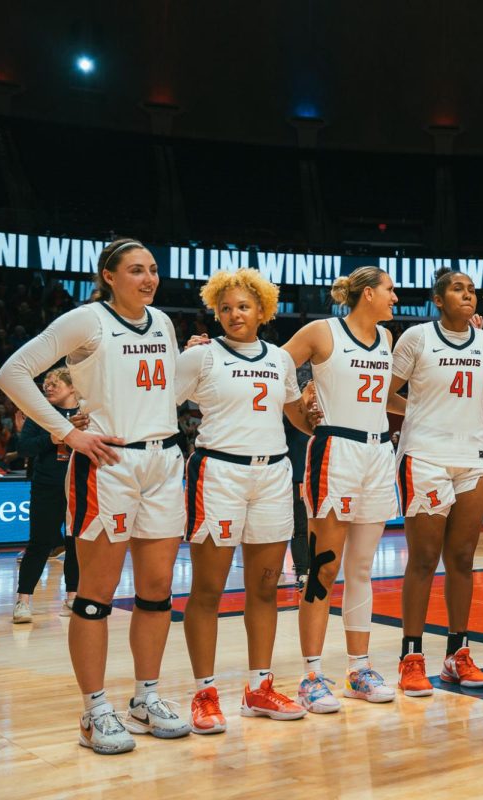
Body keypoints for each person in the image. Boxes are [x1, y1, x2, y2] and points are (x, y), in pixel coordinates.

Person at [0, 237, 188, 754]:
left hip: (165, 460)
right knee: (96, 596)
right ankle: (94, 710)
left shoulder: (164, 322)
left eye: (152, 269)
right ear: (109, 275)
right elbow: (11, 372)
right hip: (109, 463)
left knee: (157, 592)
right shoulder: (86, 320)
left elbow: (164, 393)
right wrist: (67, 432)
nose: (148, 279)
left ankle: (145, 697)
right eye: (135, 270)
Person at [177, 269, 314, 732]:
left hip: (274, 473)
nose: (234, 314)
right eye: (225, 308)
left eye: (243, 306)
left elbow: (295, 413)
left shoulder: (280, 360)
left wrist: (315, 415)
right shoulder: (200, 357)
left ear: (263, 311)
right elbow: (160, 402)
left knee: (265, 588)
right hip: (218, 472)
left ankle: (259, 687)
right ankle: (204, 693)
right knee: (208, 591)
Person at [387, 267, 483, 695]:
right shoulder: (416, 338)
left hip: (471, 458)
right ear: (438, 300)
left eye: (472, 290)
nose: (468, 295)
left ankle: (457, 656)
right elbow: (386, 392)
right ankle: (411, 657)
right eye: (458, 289)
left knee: (462, 559)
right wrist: (420, 414)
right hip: (424, 456)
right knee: (423, 559)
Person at [281, 265, 403, 712]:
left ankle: (358, 669)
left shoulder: (387, 341)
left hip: (376, 453)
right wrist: (298, 410)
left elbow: (384, 398)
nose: (395, 297)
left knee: (362, 570)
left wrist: (429, 407)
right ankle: (311, 676)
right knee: (323, 570)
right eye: (390, 289)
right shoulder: (321, 331)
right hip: (335, 450)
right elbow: (272, 368)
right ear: (368, 293)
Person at [12, 367, 86, 623]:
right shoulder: (40, 414)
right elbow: (24, 447)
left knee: (76, 543)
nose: (49, 387)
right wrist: (52, 439)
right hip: (47, 485)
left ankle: (73, 597)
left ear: (72, 387)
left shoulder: (87, 414)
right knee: (40, 543)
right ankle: (23, 602)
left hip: (80, 486)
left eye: (55, 383)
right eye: (47, 384)